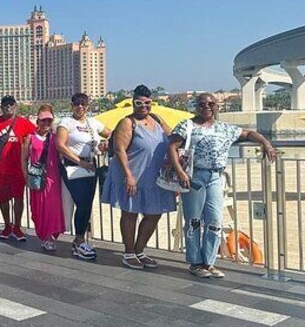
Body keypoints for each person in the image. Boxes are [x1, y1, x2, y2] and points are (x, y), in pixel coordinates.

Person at [168, 92, 276, 279]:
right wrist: (180, 172)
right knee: (193, 220)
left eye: (211, 104)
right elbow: (172, 147)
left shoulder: (225, 128)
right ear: (196, 106)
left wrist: (265, 142)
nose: (207, 107)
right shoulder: (187, 125)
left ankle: (209, 262)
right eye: (202, 104)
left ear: (217, 106)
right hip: (195, 177)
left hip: (217, 177)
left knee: (214, 220)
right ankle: (195, 262)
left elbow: (248, 133)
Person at [102, 85, 177, 269]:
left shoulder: (157, 120)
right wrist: (129, 175)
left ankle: (139, 250)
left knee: (154, 214)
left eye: (147, 103)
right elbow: (119, 149)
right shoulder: (127, 122)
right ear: (133, 103)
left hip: (155, 177)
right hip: (132, 176)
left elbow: (174, 136)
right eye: (139, 103)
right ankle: (129, 253)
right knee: (130, 213)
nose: (144, 106)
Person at [55, 92, 111, 261]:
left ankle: (80, 238)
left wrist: (106, 143)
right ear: (72, 105)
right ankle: (79, 239)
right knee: (82, 202)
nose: (80, 107)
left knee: (87, 204)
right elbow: (60, 145)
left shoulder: (93, 122)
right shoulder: (66, 122)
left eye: (84, 104)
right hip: (73, 167)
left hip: (91, 166)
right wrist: (79, 162)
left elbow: (111, 133)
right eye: (77, 104)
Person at [0, 95, 36, 241]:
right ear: (1, 107)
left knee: (19, 199)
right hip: (0, 169)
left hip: (18, 169)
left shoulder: (23, 123)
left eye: (11, 104)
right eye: (5, 104)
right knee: (3, 199)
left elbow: (37, 137)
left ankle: (17, 227)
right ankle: (7, 226)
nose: (8, 107)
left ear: (15, 106)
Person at [21, 104, 64, 252]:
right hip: (37, 178)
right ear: (37, 121)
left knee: (53, 207)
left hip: (53, 178)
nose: (46, 123)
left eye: (49, 121)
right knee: (38, 208)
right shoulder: (30, 138)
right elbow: (24, 158)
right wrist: (26, 176)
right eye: (43, 120)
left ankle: (51, 236)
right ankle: (44, 235)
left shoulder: (55, 138)